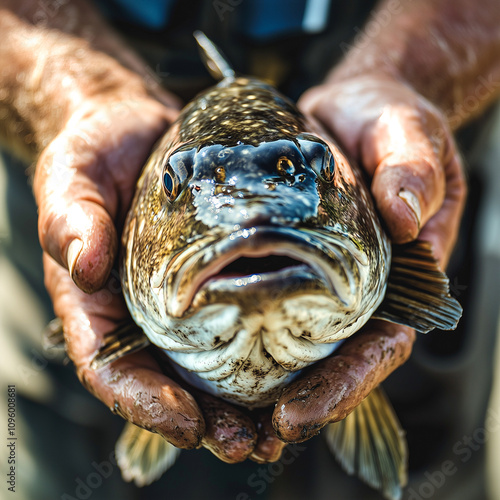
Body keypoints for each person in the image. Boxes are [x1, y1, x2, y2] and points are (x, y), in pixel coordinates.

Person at [0, 0, 499, 498]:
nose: (252, 226)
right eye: (179, 185)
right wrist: (70, 98)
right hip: (87, 150)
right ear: (123, 249)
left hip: (387, 120)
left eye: (314, 170)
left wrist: (410, 75)